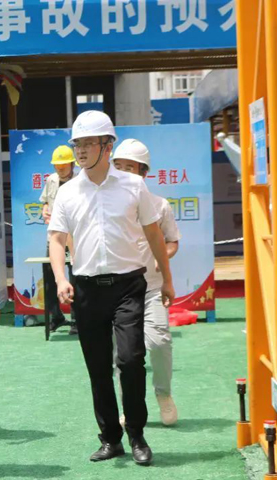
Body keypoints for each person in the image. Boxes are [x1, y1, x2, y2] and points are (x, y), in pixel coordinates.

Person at [48, 111, 175, 466]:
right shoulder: (67, 192)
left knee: (131, 359)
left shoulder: (134, 186)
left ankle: (136, 434)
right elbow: (56, 239)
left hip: (128, 286)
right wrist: (61, 279)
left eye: (88, 143)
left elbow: (154, 235)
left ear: (107, 146)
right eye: (77, 143)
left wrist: (166, 279)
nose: (80, 150)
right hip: (87, 290)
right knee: (98, 367)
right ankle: (110, 439)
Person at [112, 139, 180, 426]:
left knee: (160, 341)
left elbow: (172, 242)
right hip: (118, 290)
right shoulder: (107, 206)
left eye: (130, 167)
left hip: (151, 287)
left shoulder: (160, 205)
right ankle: (129, 405)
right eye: (119, 166)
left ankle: (164, 394)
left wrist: (162, 259)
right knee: (123, 354)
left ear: (143, 172)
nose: (123, 172)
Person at [39, 145, 77, 334]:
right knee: (50, 277)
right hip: (55, 236)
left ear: (72, 164)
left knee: (77, 277)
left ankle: (77, 320)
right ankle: (56, 316)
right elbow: (46, 202)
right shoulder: (51, 180)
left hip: (76, 237)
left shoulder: (80, 181)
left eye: (63, 166)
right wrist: (45, 209)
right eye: (57, 166)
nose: (60, 169)